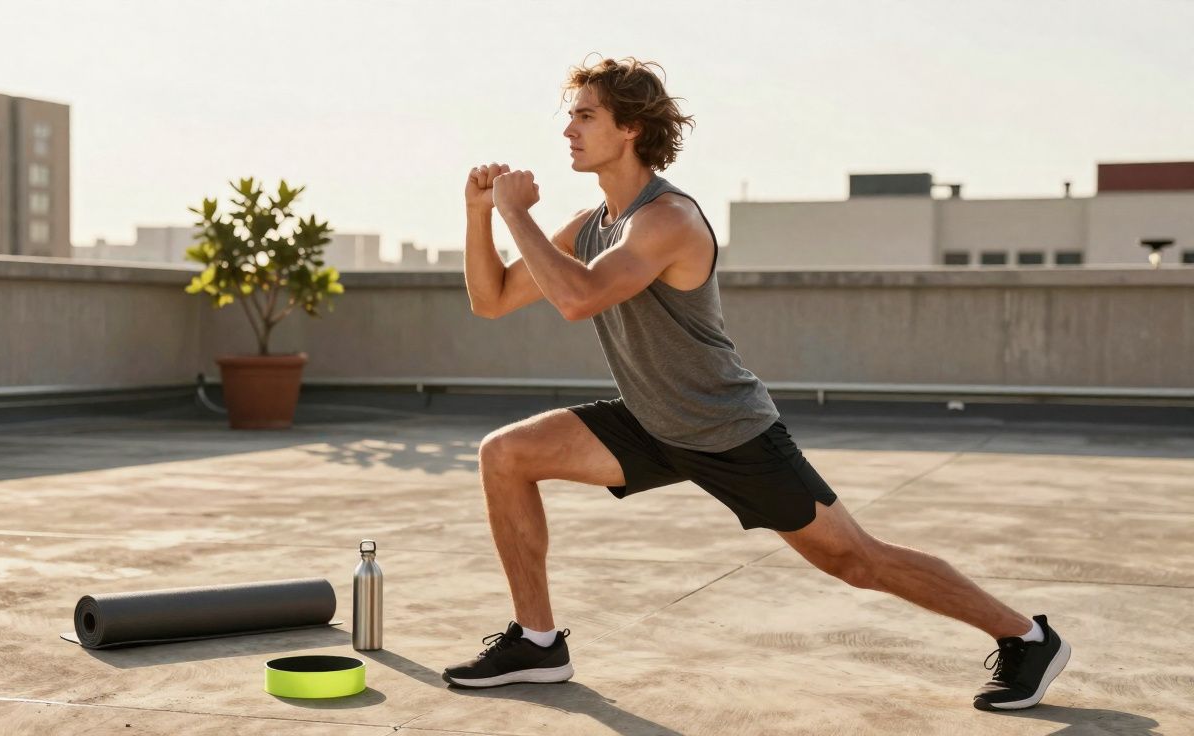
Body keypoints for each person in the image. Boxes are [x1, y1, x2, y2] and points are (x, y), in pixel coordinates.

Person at [444, 56, 1069, 712]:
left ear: (629, 127)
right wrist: (478, 213)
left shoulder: (668, 219)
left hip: (729, 431)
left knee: (857, 561)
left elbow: (579, 299)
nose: (566, 128)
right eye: (568, 115)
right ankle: (539, 643)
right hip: (654, 424)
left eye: (584, 115)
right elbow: (490, 301)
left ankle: (1028, 637)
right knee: (505, 455)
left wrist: (517, 215)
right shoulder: (590, 223)